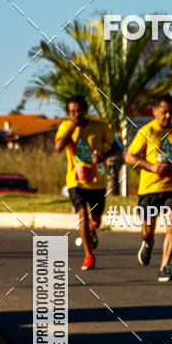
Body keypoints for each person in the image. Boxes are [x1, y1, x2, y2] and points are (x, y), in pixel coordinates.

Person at [125, 93, 172, 282]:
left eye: (171, 113)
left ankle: (164, 267)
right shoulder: (147, 131)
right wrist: (152, 167)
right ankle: (147, 242)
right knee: (147, 230)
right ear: (155, 111)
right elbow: (129, 157)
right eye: (164, 112)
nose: (167, 116)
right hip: (149, 189)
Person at [55, 95, 118, 270]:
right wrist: (72, 127)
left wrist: (103, 156)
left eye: (79, 111)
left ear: (86, 110)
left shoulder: (100, 127)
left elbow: (117, 148)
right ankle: (88, 255)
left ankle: (92, 230)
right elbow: (58, 147)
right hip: (75, 182)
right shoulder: (66, 127)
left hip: (97, 181)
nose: (76, 114)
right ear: (68, 113)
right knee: (82, 214)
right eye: (72, 112)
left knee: (96, 221)